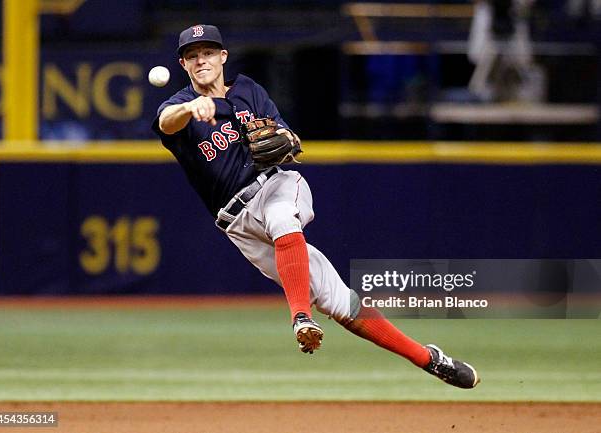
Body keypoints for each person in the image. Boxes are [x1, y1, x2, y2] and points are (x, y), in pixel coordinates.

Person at [152, 24, 480, 389]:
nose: (202, 60)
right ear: (183, 64)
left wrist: (286, 139)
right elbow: (166, 123)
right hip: (238, 223)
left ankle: (300, 317)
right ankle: (428, 358)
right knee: (340, 303)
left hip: (277, 186)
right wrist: (189, 107)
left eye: (209, 52)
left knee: (281, 219)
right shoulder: (177, 106)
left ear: (222, 56)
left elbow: (289, 138)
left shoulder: (249, 91)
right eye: (193, 56)